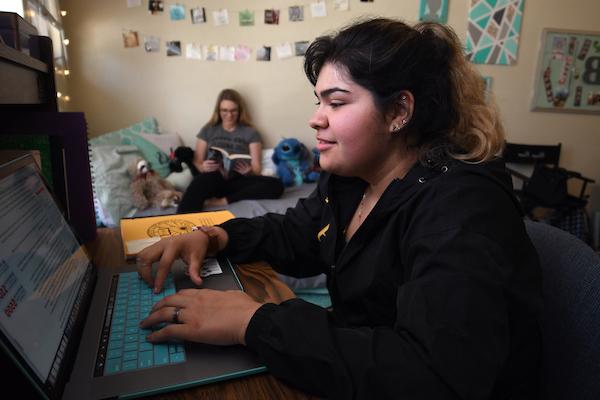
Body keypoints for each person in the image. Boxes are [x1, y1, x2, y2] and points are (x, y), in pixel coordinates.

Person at [137, 18, 542, 399]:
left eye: (336, 102)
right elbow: (298, 232)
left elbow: (434, 374)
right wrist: (215, 235)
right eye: (319, 102)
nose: (315, 120)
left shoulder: (461, 207)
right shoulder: (351, 181)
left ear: (399, 111)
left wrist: (253, 322)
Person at [176, 88, 284, 213]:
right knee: (200, 181)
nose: (229, 115)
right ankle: (182, 222)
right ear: (218, 110)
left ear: (239, 111)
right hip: (214, 178)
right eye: (225, 110)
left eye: (233, 110)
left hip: (238, 181)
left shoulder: (250, 132)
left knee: (277, 185)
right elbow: (197, 161)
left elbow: (257, 168)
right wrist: (203, 167)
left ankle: (224, 201)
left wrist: (249, 172)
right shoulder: (208, 130)